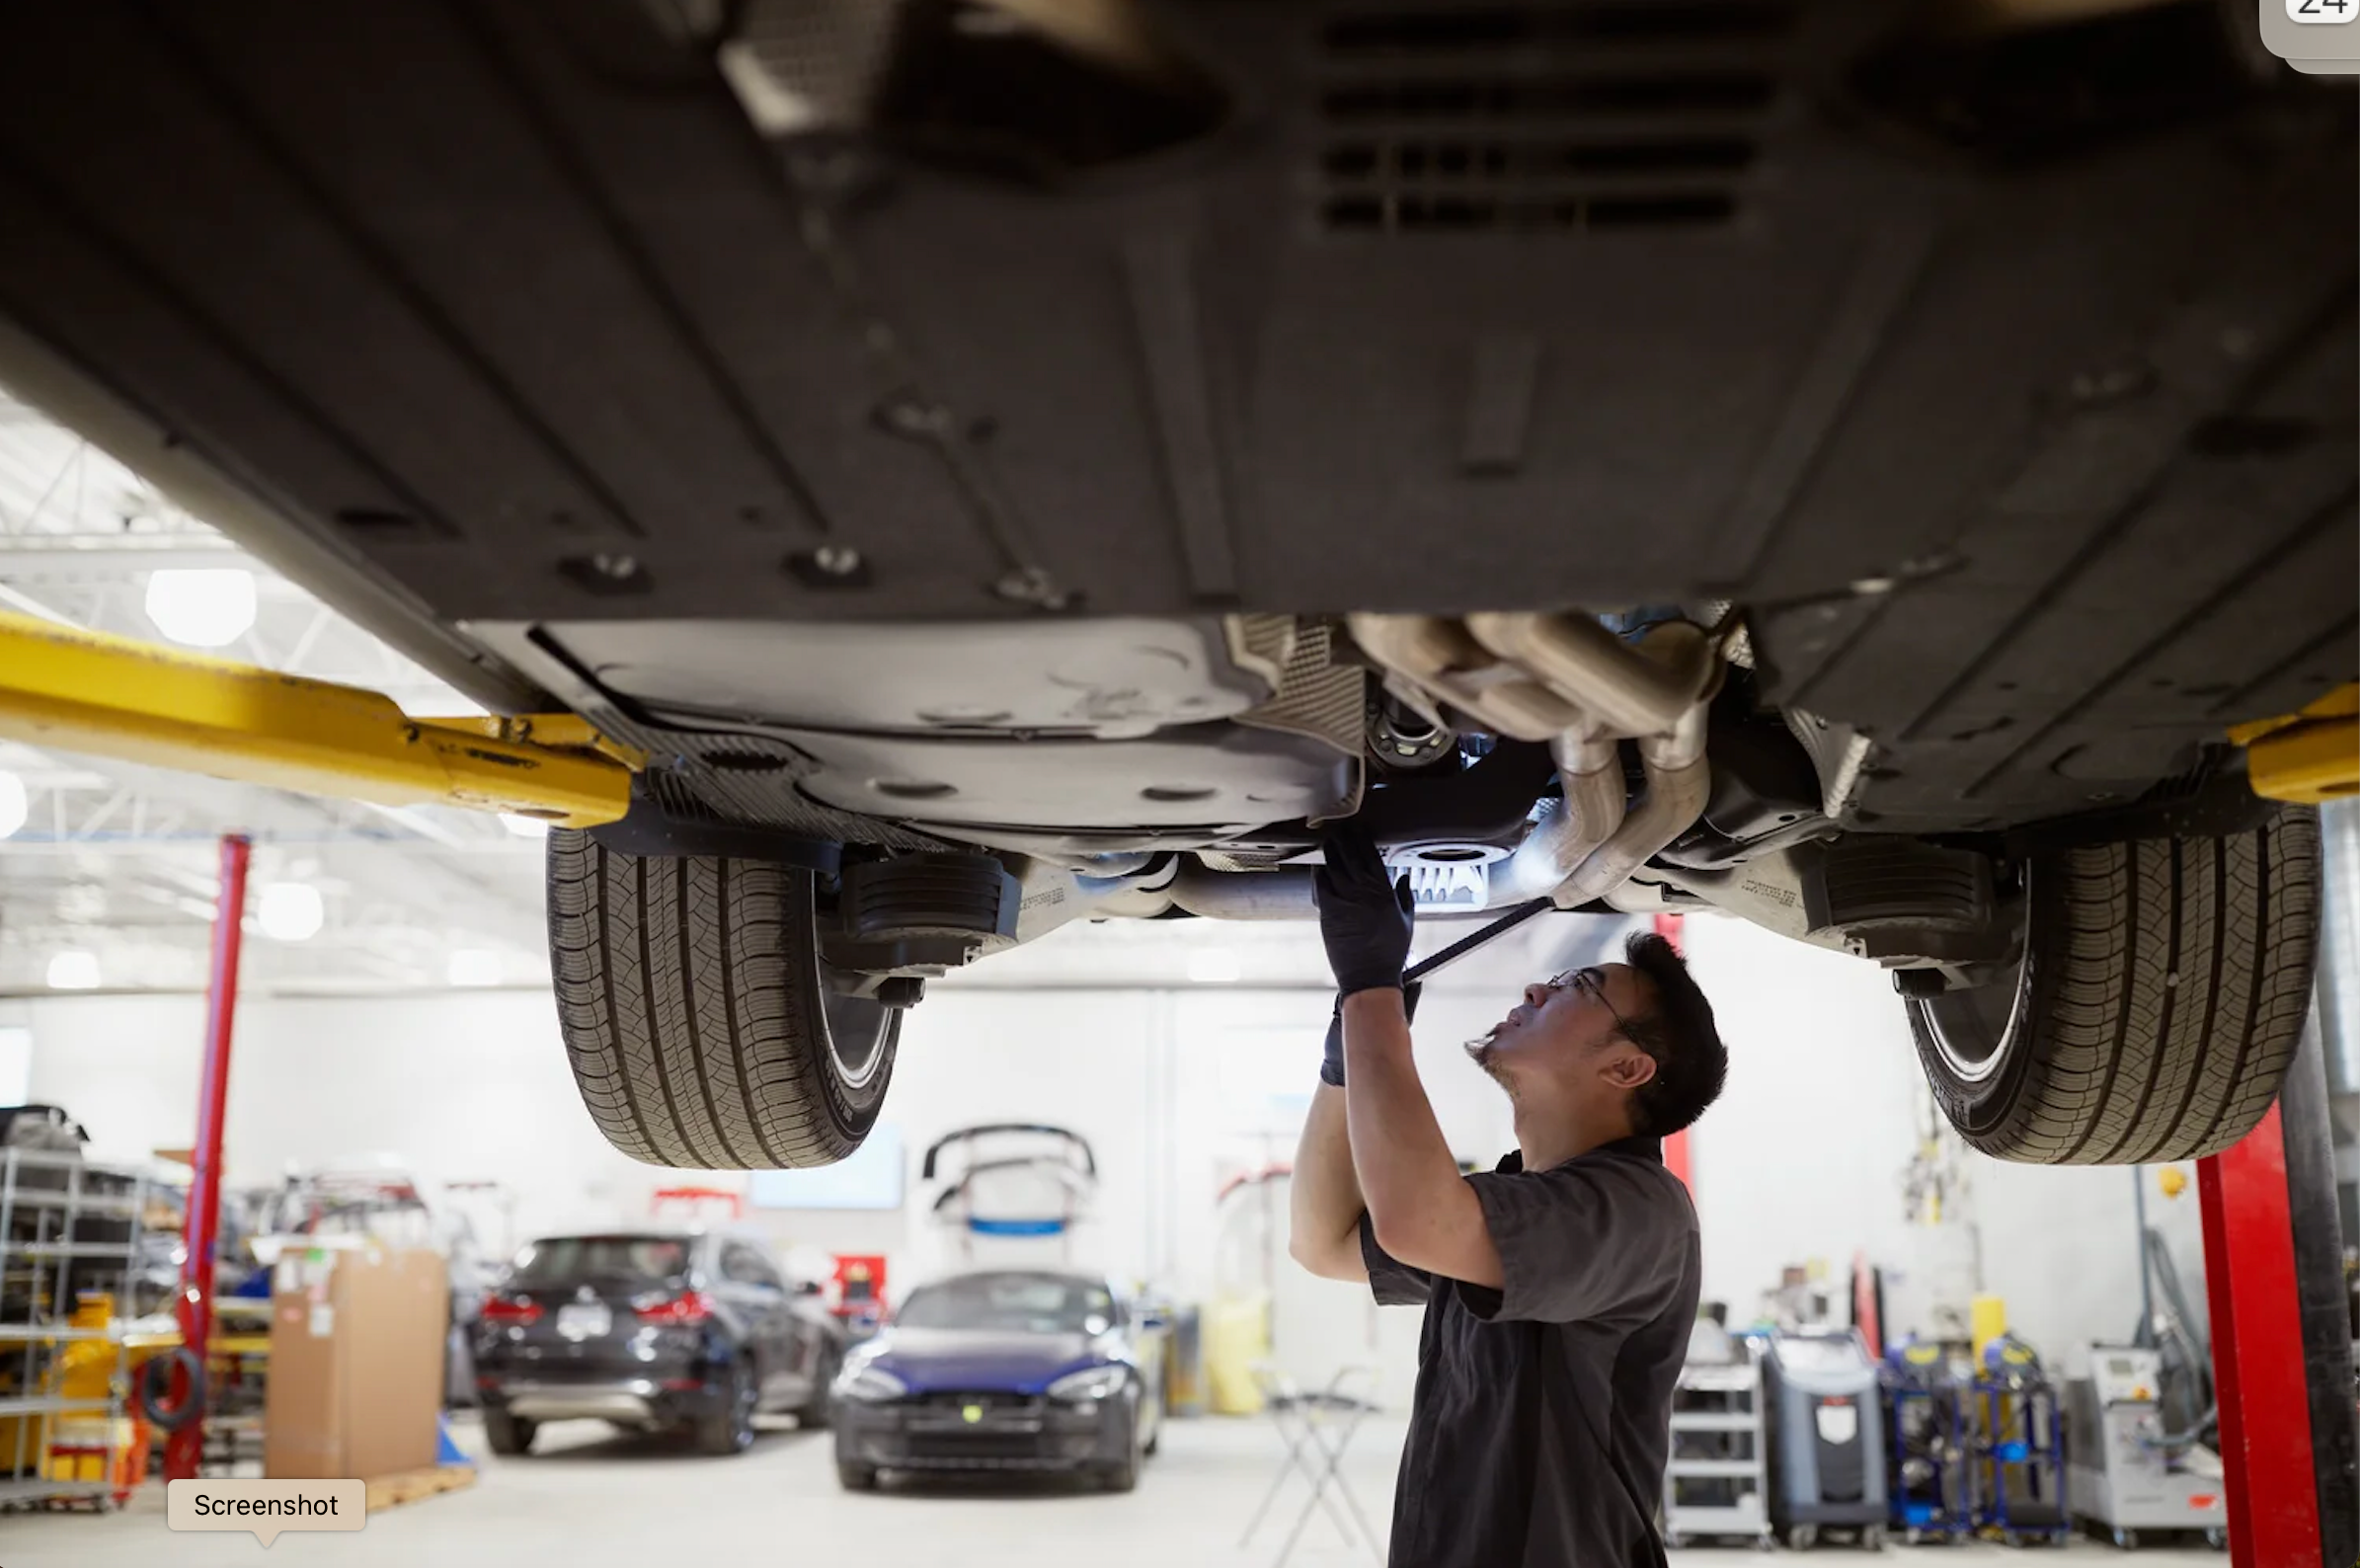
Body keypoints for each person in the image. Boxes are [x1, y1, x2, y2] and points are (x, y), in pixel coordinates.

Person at [1289, 826, 1729, 1568]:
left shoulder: (1635, 1214)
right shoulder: (1514, 1205)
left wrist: (1372, 993)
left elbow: (1416, 1220)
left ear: (1626, 1068)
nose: (1536, 987)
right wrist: (1348, 1044)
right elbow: (1324, 1242)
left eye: (1576, 989)